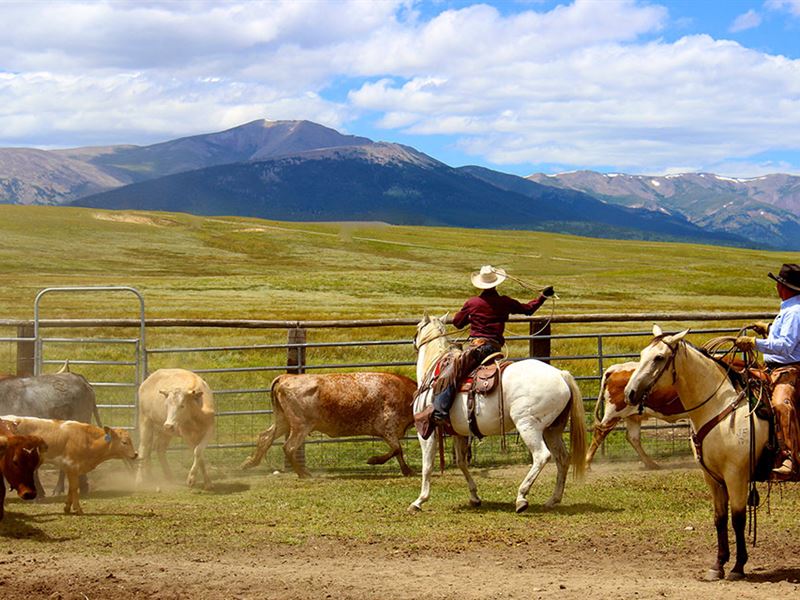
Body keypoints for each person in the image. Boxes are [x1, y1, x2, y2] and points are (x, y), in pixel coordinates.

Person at [416, 265, 554, 439]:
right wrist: (542, 297)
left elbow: (458, 323)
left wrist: (471, 317)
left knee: (450, 373)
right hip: (495, 348)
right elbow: (528, 309)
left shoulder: (473, 302)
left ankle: (440, 412)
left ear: (480, 285)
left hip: (478, 348)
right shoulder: (504, 301)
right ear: (496, 284)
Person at [736, 263, 800, 477]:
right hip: (774, 368)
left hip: (789, 370)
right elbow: (784, 336)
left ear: (782, 287)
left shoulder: (795, 312)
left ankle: (790, 458)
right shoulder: (789, 310)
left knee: (781, 404)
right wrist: (769, 329)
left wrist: (755, 343)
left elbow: (786, 346)